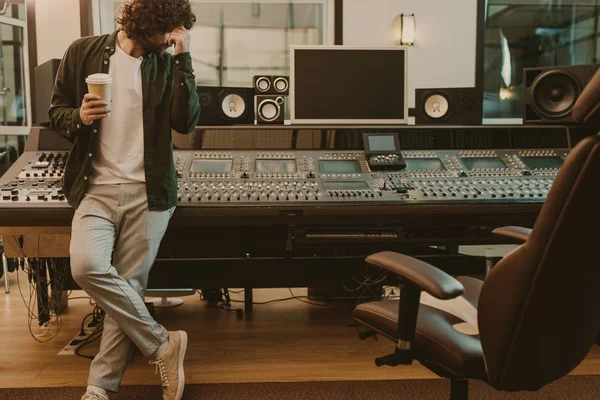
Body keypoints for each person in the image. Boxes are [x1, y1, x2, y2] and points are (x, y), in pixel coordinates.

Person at [48, 1, 200, 399]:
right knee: (86, 267)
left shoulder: (167, 62)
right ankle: (163, 344)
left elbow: (186, 122)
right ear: (142, 24)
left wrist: (184, 59)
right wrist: (78, 117)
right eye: (164, 31)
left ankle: (99, 387)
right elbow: (56, 112)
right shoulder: (82, 51)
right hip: (94, 187)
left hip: (150, 193)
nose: (169, 39)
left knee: (129, 285)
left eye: (174, 33)